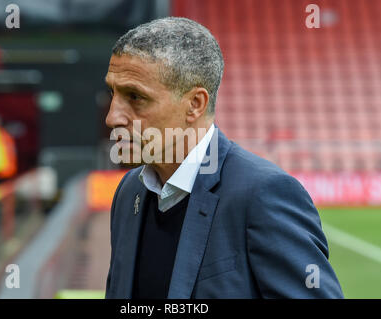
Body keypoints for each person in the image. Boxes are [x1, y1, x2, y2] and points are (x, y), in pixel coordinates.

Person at [104, 17, 343, 299]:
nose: (112, 117)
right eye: (113, 92)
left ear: (195, 105)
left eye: (135, 97)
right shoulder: (130, 191)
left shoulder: (262, 195)